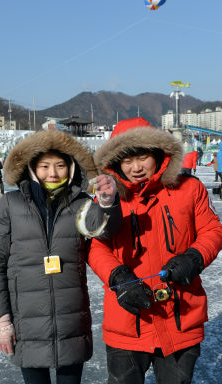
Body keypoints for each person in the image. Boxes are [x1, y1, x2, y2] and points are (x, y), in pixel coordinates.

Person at [88, 117, 222, 384]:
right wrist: (117, 277)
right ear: (115, 164)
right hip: (127, 319)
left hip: (180, 316)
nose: (136, 167)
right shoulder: (107, 200)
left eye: (143, 157)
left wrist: (194, 258)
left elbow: (212, 230)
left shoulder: (190, 188)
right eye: (126, 161)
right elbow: (94, 245)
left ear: (158, 153)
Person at [0, 130, 122, 384]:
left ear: (70, 168)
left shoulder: (82, 202)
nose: (53, 173)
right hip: (27, 321)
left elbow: (104, 232)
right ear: (32, 168)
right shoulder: (11, 204)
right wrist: (0, 320)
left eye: (60, 165)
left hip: (71, 320)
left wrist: (107, 203)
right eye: (45, 166)